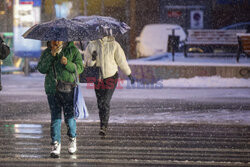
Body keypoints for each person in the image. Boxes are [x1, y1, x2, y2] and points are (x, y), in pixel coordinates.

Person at [37, 40, 83, 158]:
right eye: (54, 39)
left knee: (69, 117)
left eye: (59, 39)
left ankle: (72, 138)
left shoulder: (72, 50)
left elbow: (80, 68)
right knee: (56, 117)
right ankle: (55, 144)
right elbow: (41, 68)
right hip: (52, 89)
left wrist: (68, 63)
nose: (56, 41)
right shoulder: (48, 52)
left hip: (68, 88)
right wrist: (51, 56)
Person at [84, 36, 135, 137]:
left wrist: (129, 73)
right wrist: (93, 59)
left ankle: (104, 127)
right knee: (100, 103)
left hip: (111, 77)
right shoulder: (91, 45)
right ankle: (102, 124)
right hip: (97, 78)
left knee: (105, 101)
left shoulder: (114, 45)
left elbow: (121, 60)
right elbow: (87, 63)